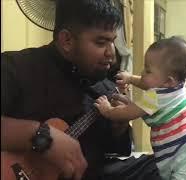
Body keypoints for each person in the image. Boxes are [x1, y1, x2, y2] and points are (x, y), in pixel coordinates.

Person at [1, 0, 132, 179]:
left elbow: (113, 152)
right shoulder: (14, 68)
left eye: (112, 42)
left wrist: (119, 128)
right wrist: (39, 136)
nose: (111, 53)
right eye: (101, 42)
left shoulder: (107, 88)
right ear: (67, 40)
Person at [94, 36, 186, 180]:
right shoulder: (181, 86)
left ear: (168, 81)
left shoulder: (154, 98)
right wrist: (130, 79)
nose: (142, 72)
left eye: (148, 70)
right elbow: (147, 84)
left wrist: (107, 110)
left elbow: (126, 113)